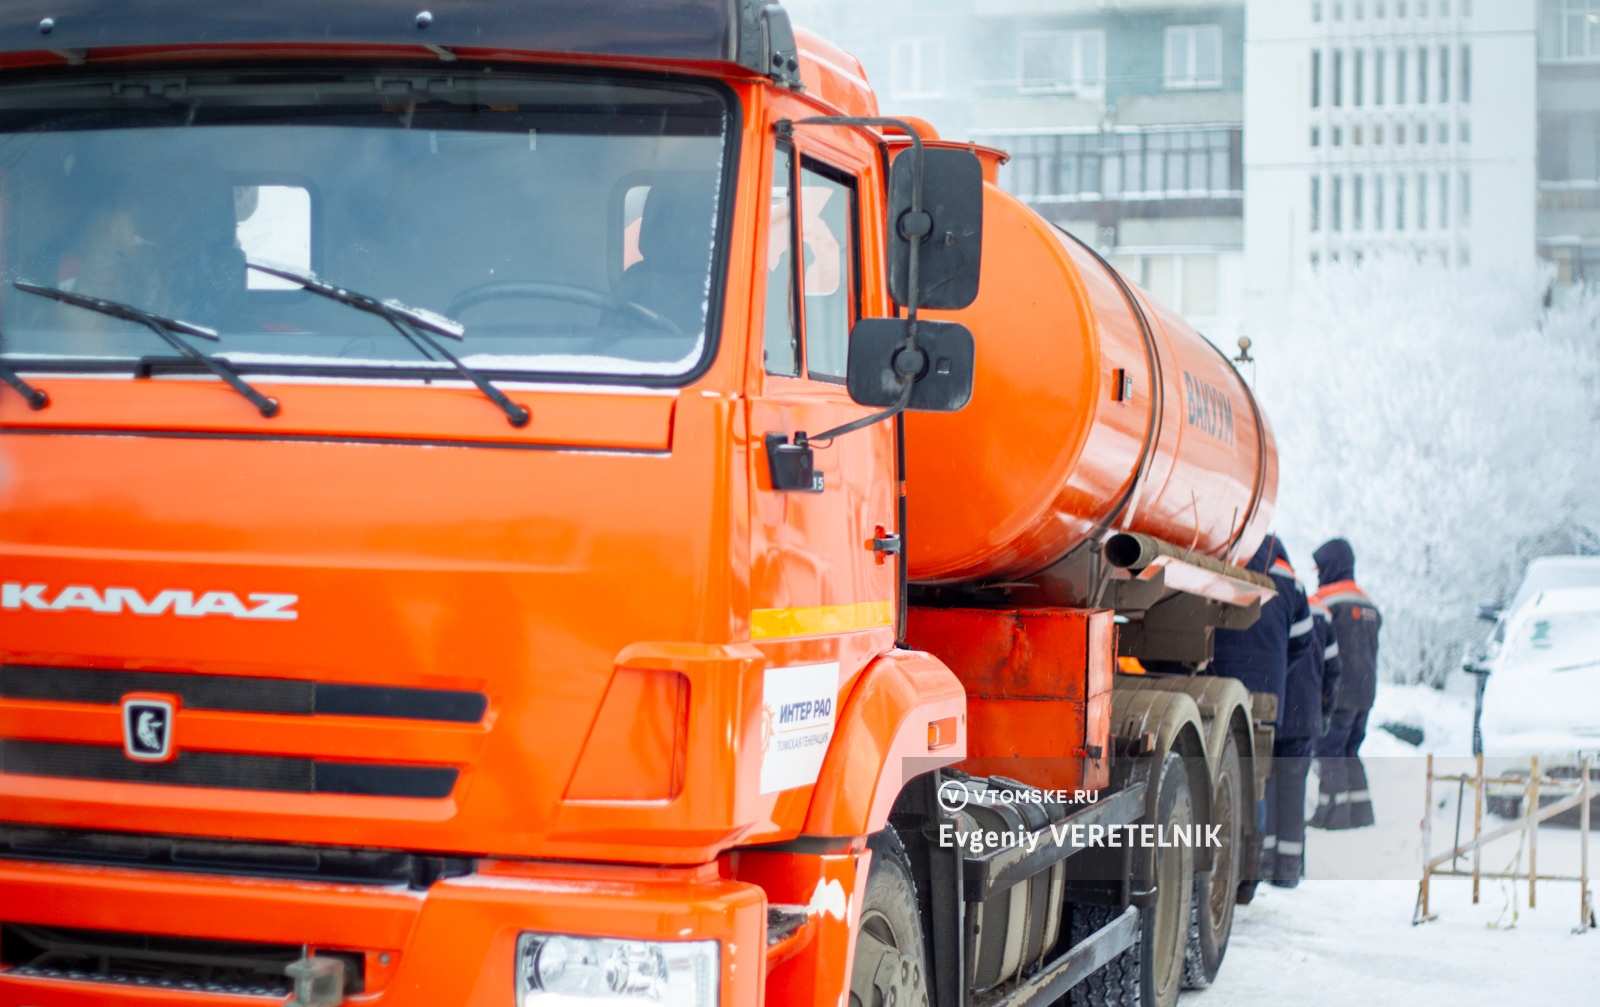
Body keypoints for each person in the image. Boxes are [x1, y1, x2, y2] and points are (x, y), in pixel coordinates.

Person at [1207, 533, 1313, 900]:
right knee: (1256, 782)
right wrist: (1276, 669)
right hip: (1265, 696)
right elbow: (1303, 640)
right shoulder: (1289, 582)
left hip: (1215, 685)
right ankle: (1247, 874)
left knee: (1216, 776)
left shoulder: (1220, 560)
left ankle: (1216, 861)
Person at [1265, 581, 1344, 887]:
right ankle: (1289, 871)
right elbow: (1333, 671)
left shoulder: (1276, 602)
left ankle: (1264, 864)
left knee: (1268, 788)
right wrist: (1324, 712)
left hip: (1275, 711)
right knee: (1293, 792)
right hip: (1305, 718)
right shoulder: (1322, 614)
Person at [1309, 538, 1381, 830]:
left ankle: (1333, 815)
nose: (1317, 575)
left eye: (1319, 569)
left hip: (1339, 692)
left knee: (1330, 752)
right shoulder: (1368, 603)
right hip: (1366, 692)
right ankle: (1361, 813)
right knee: (1350, 750)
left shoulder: (1326, 602)